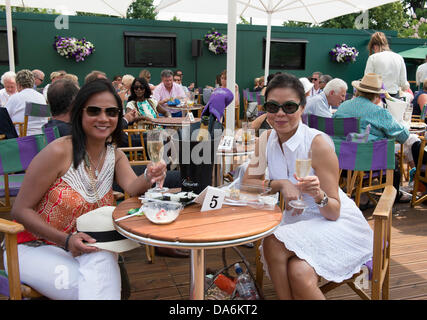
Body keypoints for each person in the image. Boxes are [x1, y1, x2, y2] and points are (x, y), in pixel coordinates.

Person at [7, 79, 167, 300]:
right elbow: (20, 210)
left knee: (100, 262)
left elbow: (132, 186)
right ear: (79, 113)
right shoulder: (58, 152)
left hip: (83, 246)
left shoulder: (114, 155)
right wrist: (65, 240)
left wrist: (149, 175)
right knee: (91, 286)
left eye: (111, 112)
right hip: (33, 246)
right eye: (94, 111)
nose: (103, 118)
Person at [242, 72, 373, 300]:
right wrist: (280, 183)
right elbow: (249, 183)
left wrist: (318, 194)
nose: (280, 113)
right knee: (299, 272)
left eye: (289, 107)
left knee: (272, 241)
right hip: (297, 222)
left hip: (334, 222)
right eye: (273, 106)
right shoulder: (265, 141)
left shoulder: (317, 144)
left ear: (302, 108)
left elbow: (333, 210)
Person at [333, 73, 413, 203]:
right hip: (364, 163)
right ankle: (394, 195)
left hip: (339, 162)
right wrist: (402, 125)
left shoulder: (343, 106)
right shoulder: (379, 112)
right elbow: (403, 136)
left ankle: (359, 194)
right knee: (392, 160)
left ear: (358, 90)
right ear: (377, 95)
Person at [5, 69, 47, 136]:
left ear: (18, 84)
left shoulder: (15, 97)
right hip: (41, 135)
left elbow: (5, 117)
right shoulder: (41, 97)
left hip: (21, 136)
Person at [364, 31, 407, 98]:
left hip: (377, 97)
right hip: (394, 96)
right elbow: (403, 83)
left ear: (374, 46)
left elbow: (367, 80)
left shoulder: (373, 58)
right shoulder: (399, 57)